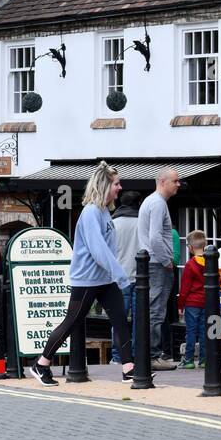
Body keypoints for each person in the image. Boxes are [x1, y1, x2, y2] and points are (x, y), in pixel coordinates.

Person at [27, 162, 135, 386]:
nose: (120, 187)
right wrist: (121, 275)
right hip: (87, 279)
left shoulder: (104, 211)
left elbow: (107, 248)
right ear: (105, 185)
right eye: (116, 183)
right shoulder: (91, 212)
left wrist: (115, 274)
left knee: (120, 320)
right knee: (71, 322)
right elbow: (98, 250)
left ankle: (129, 369)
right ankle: (41, 364)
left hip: (103, 278)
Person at [139, 167, 180, 370]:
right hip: (157, 264)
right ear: (163, 182)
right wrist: (166, 261)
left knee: (154, 309)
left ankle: (149, 355)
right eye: (175, 181)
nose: (178, 184)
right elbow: (155, 237)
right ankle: (152, 356)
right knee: (156, 310)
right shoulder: (157, 203)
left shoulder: (153, 202)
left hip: (153, 263)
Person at [109, 190, 142, 365]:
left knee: (118, 320)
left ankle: (117, 356)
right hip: (140, 277)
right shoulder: (143, 223)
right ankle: (135, 355)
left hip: (119, 277)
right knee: (139, 320)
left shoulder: (113, 222)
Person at [179, 230, 208, 369]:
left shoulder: (190, 265)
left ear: (190, 248)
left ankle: (189, 360)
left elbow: (184, 288)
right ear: (205, 245)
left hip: (192, 303)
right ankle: (204, 360)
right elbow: (218, 281)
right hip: (206, 302)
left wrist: (180, 305)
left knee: (191, 331)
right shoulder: (211, 261)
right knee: (204, 332)